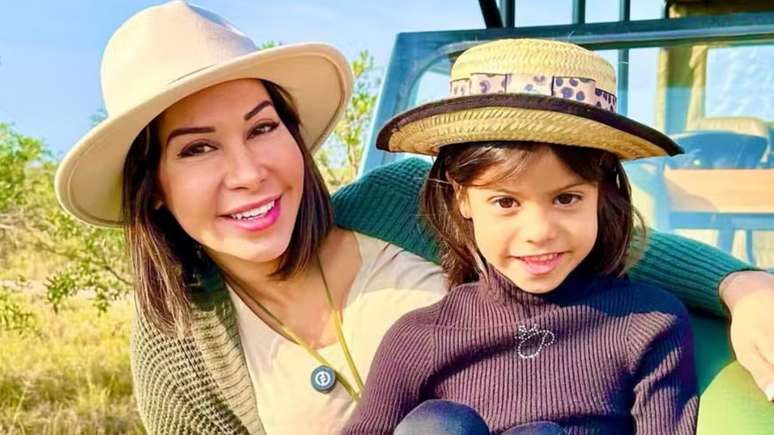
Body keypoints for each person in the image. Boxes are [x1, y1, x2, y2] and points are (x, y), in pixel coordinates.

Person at [53, 2, 774, 434]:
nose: (248, 172)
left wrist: (742, 285)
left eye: (263, 127)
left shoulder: (399, 201)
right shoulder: (180, 346)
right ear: (153, 187)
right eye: (198, 148)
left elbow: (600, 240)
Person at [343, 38, 697, 435]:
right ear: (462, 197)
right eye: (506, 202)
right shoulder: (416, 339)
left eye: (567, 198)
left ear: (602, 194)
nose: (539, 232)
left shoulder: (650, 323)